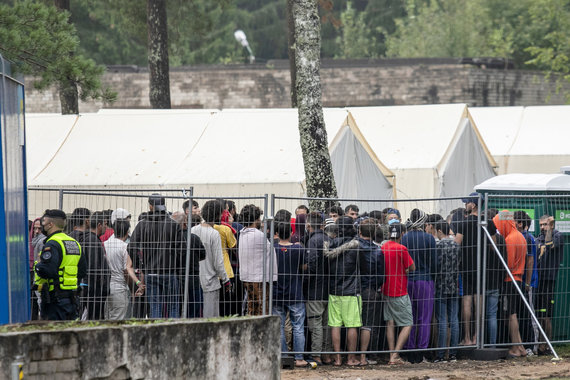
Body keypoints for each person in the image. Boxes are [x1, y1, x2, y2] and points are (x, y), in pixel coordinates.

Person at [128, 194, 186, 318]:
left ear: (150, 206)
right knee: (173, 306)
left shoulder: (142, 225)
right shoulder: (173, 224)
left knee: (155, 307)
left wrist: (140, 265)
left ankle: (157, 333)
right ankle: (173, 331)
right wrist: (177, 266)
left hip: (151, 272)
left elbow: (131, 246)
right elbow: (183, 250)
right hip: (170, 271)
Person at [34, 209, 87, 320]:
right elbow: (82, 271)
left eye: (43, 223)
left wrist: (38, 265)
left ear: (50, 224)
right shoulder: (74, 243)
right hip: (72, 299)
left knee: (54, 334)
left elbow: (48, 270)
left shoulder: (52, 243)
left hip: (54, 300)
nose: (42, 225)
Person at [401, 208, 437, 363]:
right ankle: (421, 351)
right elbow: (434, 262)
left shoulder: (404, 238)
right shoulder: (429, 239)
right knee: (424, 318)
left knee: (410, 318)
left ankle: (409, 350)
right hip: (425, 280)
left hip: (408, 281)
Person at [324, 216, 361, 366]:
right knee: (352, 325)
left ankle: (338, 358)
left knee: (335, 325)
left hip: (334, 290)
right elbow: (363, 267)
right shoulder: (356, 247)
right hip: (351, 291)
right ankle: (351, 358)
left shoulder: (330, 245)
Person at [273, 221, 307, 367]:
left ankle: (284, 356)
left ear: (277, 234)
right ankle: (299, 358)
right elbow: (304, 267)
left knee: (279, 326)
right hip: (295, 291)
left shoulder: (272, 248)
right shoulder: (298, 248)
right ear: (292, 233)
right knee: (298, 326)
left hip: (276, 292)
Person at [493, 211, 527, 358]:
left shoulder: (510, 239)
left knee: (510, 315)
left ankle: (515, 347)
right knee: (513, 314)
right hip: (518, 279)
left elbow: (509, 264)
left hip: (510, 281)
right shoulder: (520, 236)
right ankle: (520, 346)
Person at [381, 222, 415, 365]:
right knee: (408, 323)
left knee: (390, 323)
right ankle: (395, 354)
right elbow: (412, 267)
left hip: (386, 289)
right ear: (402, 234)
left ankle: (391, 354)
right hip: (399, 290)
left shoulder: (384, 247)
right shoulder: (402, 249)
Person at [191, 200, 231, 318]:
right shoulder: (214, 234)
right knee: (211, 319)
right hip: (211, 282)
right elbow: (219, 262)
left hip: (195, 279)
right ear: (218, 214)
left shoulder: (193, 230)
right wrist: (225, 280)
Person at [70, 211, 110, 320]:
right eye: (105, 224)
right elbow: (95, 266)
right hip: (94, 289)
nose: (107, 227)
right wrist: (103, 285)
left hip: (88, 286)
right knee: (94, 318)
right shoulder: (92, 240)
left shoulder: (88, 238)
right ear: (99, 225)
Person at [454, 192, 482, 346]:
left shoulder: (463, 223)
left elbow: (456, 244)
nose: (465, 205)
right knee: (479, 303)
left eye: (467, 203)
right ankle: (477, 337)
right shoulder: (486, 223)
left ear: (473, 204)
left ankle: (467, 338)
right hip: (480, 267)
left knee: (467, 303)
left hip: (465, 267)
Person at [238, 204, 277, 316]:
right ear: (255, 220)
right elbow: (270, 251)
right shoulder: (258, 235)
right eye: (259, 218)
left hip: (247, 277)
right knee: (261, 309)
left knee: (252, 307)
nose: (260, 221)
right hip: (259, 278)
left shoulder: (243, 233)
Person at [304, 211, 332, 365]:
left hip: (315, 289)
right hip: (328, 288)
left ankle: (316, 355)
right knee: (326, 324)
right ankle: (327, 355)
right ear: (322, 225)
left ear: (308, 225)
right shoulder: (329, 239)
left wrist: (306, 280)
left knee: (315, 324)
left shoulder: (312, 241)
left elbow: (312, 265)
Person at [357, 219, 385, 366]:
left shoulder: (354, 247)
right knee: (368, 324)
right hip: (371, 290)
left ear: (360, 232)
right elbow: (382, 275)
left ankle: (353, 355)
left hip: (354, 289)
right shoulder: (378, 251)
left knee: (353, 323)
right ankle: (366, 355)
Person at [104, 220, 145, 319]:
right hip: (119, 287)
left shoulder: (104, 244)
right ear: (127, 232)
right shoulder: (125, 247)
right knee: (118, 319)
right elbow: (126, 270)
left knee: (106, 318)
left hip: (105, 286)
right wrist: (134, 286)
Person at [536, 214, 564, 355]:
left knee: (546, 314)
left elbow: (549, 245)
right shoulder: (538, 237)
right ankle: (539, 343)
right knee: (539, 314)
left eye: (545, 225)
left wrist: (550, 230)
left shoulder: (558, 235)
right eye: (541, 225)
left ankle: (547, 345)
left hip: (549, 280)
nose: (542, 227)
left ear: (551, 225)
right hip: (537, 280)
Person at [433, 220, 460, 362]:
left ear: (439, 231)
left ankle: (441, 353)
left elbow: (435, 265)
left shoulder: (438, 246)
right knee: (454, 319)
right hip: (454, 285)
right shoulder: (456, 245)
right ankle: (454, 353)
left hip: (440, 285)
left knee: (442, 319)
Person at [514, 210, 539, 356]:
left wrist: (528, 283)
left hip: (528, 283)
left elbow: (530, 261)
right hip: (520, 282)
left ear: (521, 223)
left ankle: (532, 346)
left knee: (529, 315)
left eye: (515, 222)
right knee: (522, 314)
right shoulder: (521, 237)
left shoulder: (528, 238)